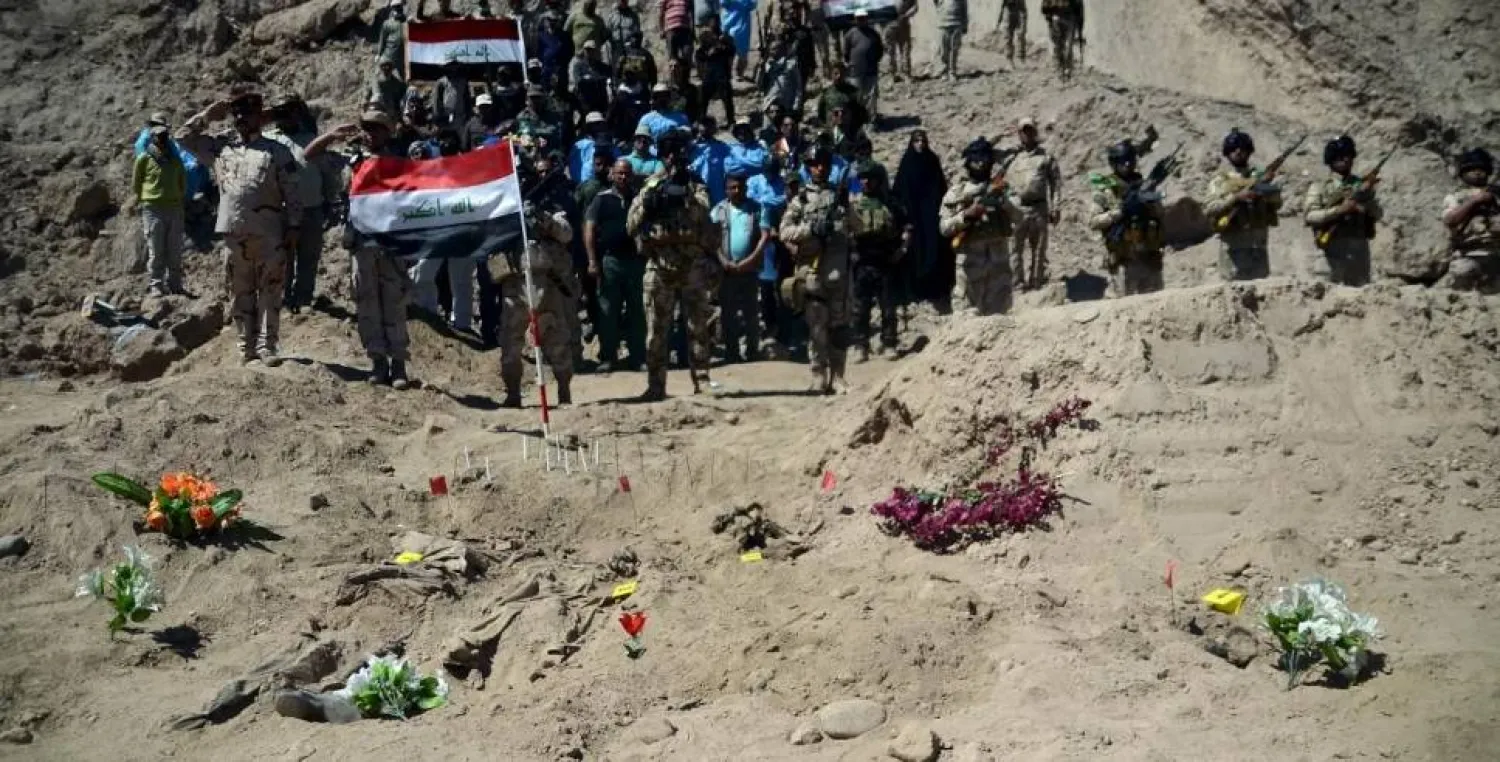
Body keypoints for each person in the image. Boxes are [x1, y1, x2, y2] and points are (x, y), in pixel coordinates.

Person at [178, 89, 302, 366]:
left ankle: (267, 347)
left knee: (270, 290)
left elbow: (293, 193)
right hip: (234, 235)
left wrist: (294, 226)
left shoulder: (276, 151)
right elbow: (182, 138)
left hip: (269, 234)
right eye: (237, 114)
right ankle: (247, 348)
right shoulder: (220, 148)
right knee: (240, 292)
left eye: (247, 113)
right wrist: (207, 116)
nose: (241, 118)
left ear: (260, 116)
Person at [305, 111, 414, 387]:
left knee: (394, 302)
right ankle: (378, 361)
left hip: (390, 242)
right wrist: (332, 135)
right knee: (367, 302)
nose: (370, 133)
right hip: (362, 242)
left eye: (377, 128)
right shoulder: (351, 159)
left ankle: (398, 364)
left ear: (388, 132)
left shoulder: (399, 162)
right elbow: (309, 155)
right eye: (367, 128)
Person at [626, 129, 718, 399]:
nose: (672, 159)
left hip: (692, 265)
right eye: (667, 154)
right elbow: (631, 225)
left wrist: (685, 196)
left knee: (698, 327)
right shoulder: (650, 185)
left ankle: (702, 380)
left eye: (676, 154)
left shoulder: (695, 183)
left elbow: (704, 214)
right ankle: (656, 385)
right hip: (659, 264)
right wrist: (651, 202)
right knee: (656, 330)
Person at [496, 174, 578, 407]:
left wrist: (544, 219)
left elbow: (567, 233)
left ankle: (564, 390)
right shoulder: (504, 210)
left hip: (547, 284)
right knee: (510, 341)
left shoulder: (550, 209)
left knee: (556, 339)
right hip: (515, 284)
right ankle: (513, 393)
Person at [780, 146, 856, 394]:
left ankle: (839, 376)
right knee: (816, 328)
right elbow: (784, 231)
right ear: (809, 167)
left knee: (839, 327)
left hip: (838, 273)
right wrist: (811, 230)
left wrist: (848, 209)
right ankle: (818, 376)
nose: (820, 168)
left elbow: (858, 228)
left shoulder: (839, 196)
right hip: (812, 273)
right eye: (815, 164)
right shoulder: (800, 200)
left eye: (823, 163)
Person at [264, 93, 336, 313]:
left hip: (311, 207)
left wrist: (329, 199)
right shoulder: (268, 140)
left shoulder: (311, 139)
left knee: (309, 257)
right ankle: (283, 301)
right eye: (281, 111)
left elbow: (326, 172)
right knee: (282, 258)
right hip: (280, 211)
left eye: (290, 110)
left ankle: (304, 300)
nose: (286, 115)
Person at [941, 137, 1021, 315]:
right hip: (970, 268)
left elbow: (1019, 216)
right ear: (968, 163)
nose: (980, 163)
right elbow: (944, 228)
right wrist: (965, 215)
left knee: (1000, 319)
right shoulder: (957, 192)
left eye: (984, 158)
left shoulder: (1001, 188)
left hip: (998, 268)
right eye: (976, 159)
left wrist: (1004, 201)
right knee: (966, 317)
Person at [587, 159, 647, 371]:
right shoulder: (601, 199)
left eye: (626, 174)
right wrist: (592, 261)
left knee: (637, 311)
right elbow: (589, 229)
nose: (623, 177)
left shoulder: (638, 199)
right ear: (612, 174)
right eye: (619, 173)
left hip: (635, 262)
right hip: (610, 262)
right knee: (608, 310)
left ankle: (638, 357)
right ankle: (608, 357)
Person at [1203, 129, 1284, 281]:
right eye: (1233, 149)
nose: (1238, 152)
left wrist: (1265, 189)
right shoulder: (1220, 181)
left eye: (1243, 148)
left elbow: (1277, 203)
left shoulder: (1259, 176)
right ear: (1227, 153)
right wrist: (1235, 198)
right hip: (1233, 252)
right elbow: (1210, 208)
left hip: (1258, 250)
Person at [1303, 135, 1384, 287]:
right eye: (1340, 157)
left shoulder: (1361, 185)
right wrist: (1339, 210)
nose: (1346, 160)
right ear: (1331, 160)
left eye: (1348, 156)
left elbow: (1378, 214)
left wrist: (1365, 203)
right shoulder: (1320, 187)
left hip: (1358, 253)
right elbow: (1310, 216)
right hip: (1330, 252)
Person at [1090, 140, 1167, 296]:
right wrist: (1116, 213)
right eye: (1123, 161)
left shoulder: (1143, 185)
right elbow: (1093, 222)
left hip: (1149, 257)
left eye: (1130, 160)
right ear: (1114, 163)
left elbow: (1160, 214)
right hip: (1123, 260)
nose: (1127, 164)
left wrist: (1151, 202)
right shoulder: (1106, 189)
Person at [849, 160, 904, 359]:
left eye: (869, 178)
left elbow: (906, 227)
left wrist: (902, 250)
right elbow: (844, 230)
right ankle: (860, 345)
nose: (865, 182)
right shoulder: (854, 204)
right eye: (862, 178)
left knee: (888, 307)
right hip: (862, 261)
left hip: (884, 260)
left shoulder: (890, 203)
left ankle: (889, 342)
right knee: (860, 308)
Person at [713, 172, 770, 362]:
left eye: (740, 187)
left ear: (746, 188)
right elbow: (711, 238)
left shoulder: (757, 208)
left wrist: (750, 261)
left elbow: (764, 236)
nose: (737, 191)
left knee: (751, 312)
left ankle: (753, 351)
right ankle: (732, 353)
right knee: (728, 313)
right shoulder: (718, 210)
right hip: (726, 270)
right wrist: (723, 261)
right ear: (726, 190)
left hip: (750, 270)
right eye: (733, 187)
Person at [133, 123, 188, 297]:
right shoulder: (144, 159)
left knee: (175, 249)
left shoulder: (175, 160)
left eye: (164, 137)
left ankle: (175, 284)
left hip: (174, 208)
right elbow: (137, 183)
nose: (162, 141)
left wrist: (176, 197)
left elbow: (183, 181)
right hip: (153, 208)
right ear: (153, 139)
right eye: (158, 138)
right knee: (156, 250)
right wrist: (147, 198)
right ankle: (156, 284)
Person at [893, 130, 947, 305]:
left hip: (931, 215)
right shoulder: (907, 162)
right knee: (913, 251)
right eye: (916, 141)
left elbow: (941, 187)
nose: (920, 144)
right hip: (912, 216)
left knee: (933, 248)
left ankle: (934, 290)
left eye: (923, 141)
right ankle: (914, 291)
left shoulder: (932, 160)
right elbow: (899, 191)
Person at [1007, 117, 1062, 289]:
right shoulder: (1011, 157)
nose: (1027, 134)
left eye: (1030, 130)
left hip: (1039, 207)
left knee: (1038, 248)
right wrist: (1001, 135)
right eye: (1024, 131)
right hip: (1017, 208)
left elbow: (1056, 184)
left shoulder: (1046, 157)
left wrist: (1056, 207)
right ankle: (1017, 284)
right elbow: (988, 151)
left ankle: (1036, 282)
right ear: (1019, 134)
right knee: (1014, 248)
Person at [1441, 148, 1499, 292]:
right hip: (1467, 253)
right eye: (1472, 169)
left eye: (1481, 169)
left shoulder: (1496, 195)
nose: (1477, 172)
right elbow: (1451, 220)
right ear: (1463, 173)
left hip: (1495, 252)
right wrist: (1475, 201)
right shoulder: (1455, 197)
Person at [747, 159, 790, 349]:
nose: (770, 175)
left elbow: (785, 199)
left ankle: (784, 329)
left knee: (782, 284)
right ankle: (768, 325)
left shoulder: (782, 182)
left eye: (773, 172)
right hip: (759, 234)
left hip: (781, 234)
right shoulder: (754, 180)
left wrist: (766, 201)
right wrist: (771, 202)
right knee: (765, 286)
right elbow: (752, 200)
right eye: (767, 171)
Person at [842, 10, 883, 125]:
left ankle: (871, 121)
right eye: (859, 18)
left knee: (871, 96)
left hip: (871, 70)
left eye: (863, 18)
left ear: (867, 18)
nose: (861, 20)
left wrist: (874, 61)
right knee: (856, 96)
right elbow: (846, 52)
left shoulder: (874, 33)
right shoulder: (850, 34)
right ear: (855, 19)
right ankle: (857, 121)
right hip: (855, 71)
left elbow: (880, 50)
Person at [695, 16, 738, 124]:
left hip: (722, 74)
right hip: (709, 74)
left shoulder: (725, 39)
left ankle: (731, 121)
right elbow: (699, 55)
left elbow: (731, 51)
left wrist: (722, 45)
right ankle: (701, 120)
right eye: (712, 24)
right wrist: (710, 52)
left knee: (727, 99)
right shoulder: (705, 38)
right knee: (703, 100)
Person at [759, 36, 805, 118]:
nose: (772, 52)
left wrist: (796, 105)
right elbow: (760, 85)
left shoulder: (791, 64)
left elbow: (798, 87)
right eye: (771, 49)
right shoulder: (767, 66)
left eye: (774, 49)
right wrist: (762, 68)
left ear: (782, 50)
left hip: (786, 105)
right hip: (770, 104)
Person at [691, 116, 732, 205]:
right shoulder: (692, 147)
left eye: (710, 125)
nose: (707, 128)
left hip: (718, 191)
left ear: (714, 128)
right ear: (699, 127)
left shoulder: (723, 147)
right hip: (698, 192)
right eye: (704, 125)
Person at [1041, 0, 1083, 79]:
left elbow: (1078, 4)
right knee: (1059, 46)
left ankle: (1066, 70)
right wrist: (1049, 16)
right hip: (1057, 16)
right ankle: (1061, 69)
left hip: (1069, 16)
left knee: (1067, 46)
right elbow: (1045, 5)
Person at [570, 41, 612, 119]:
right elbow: (579, 81)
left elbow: (605, 79)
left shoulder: (602, 66)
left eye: (591, 50)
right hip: (586, 100)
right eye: (587, 50)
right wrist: (594, 80)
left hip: (601, 100)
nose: (589, 52)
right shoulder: (578, 66)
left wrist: (590, 79)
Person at [569, 112, 615, 183]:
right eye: (594, 124)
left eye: (600, 123)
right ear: (588, 126)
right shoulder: (579, 145)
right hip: (585, 184)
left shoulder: (608, 143)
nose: (598, 126)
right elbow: (574, 167)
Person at [720, 0, 757, 80]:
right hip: (733, 26)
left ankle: (736, 73)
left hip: (737, 26)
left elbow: (753, 5)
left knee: (739, 52)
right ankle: (732, 73)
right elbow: (722, 3)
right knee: (732, 52)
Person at [432, 59, 471, 132]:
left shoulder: (463, 81)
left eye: (454, 65)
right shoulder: (441, 82)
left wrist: (468, 115)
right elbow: (437, 101)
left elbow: (467, 99)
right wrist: (438, 118)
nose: (453, 68)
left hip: (460, 117)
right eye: (450, 66)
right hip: (445, 117)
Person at [607, 0, 645, 71]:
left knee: (631, 71)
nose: (623, 2)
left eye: (625, 1)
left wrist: (632, 44)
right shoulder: (612, 16)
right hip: (616, 50)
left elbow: (637, 33)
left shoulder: (633, 16)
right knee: (616, 71)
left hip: (630, 50)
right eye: (621, 1)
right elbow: (608, 33)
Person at [937, 0, 969, 81]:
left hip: (957, 24)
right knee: (943, 50)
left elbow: (965, 11)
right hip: (943, 25)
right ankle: (944, 72)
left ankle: (952, 72)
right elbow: (936, 4)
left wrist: (965, 26)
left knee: (954, 50)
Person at [885, 0, 916, 82]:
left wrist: (906, 15)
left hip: (903, 25)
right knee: (890, 51)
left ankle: (906, 74)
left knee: (905, 50)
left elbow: (915, 7)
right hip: (889, 26)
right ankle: (893, 74)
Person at [660, 0, 696, 65]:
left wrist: (692, 29)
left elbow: (691, 12)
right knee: (673, 59)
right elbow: (661, 13)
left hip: (685, 30)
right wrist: (661, 30)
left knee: (687, 54)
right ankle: (675, 70)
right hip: (671, 30)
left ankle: (685, 71)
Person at [376, 0, 408, 71]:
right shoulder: (387, 24)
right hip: (389, 56)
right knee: (383, 66)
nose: (399, 10)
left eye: (400, 7)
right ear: (392, 10)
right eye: (396, 8)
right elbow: (382, 40)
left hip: (401, 58)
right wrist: (378, 54)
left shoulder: (407, 22)